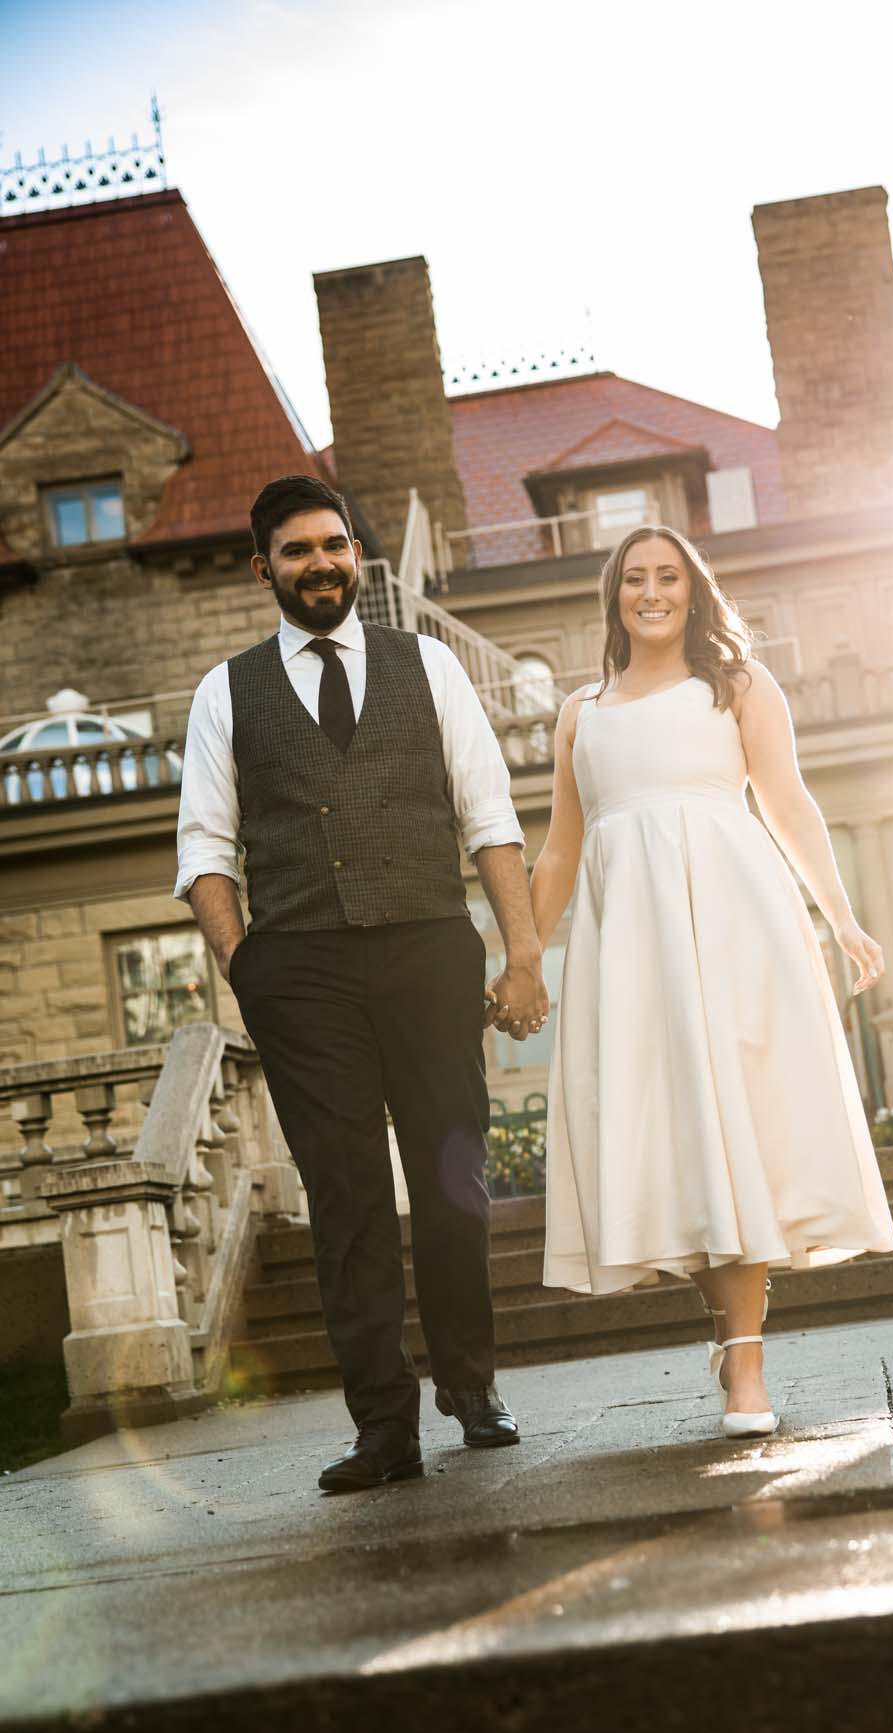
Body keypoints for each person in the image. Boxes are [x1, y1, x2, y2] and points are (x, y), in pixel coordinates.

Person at [175, 474, 547, 1493]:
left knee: (450, 1178)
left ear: (355, 556)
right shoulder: (226, 691)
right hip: (300, 969)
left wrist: (521, 953)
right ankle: (383, 1423)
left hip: (427, 945)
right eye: (296, 551)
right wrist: (246, 961)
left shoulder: (426, 665)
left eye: (333, 545)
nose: (320, 563)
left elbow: (489, 818)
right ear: (266, 569)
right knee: (345, 1200)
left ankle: (470, 1386)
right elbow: (206, 850)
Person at [523, 526, 893, 1438]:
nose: (651, 592)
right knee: (672, 1145)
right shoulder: (581, 715)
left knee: (738, 1131)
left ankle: (745, 1368)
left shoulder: (736, 686)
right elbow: (562, 848)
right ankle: (727, 1333)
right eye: (635, 579)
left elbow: (790, 804)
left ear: (694, 593)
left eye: (669, 578)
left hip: (735, 930)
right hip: (628, 955)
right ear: (613, 594)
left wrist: (839, 916)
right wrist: (520, 957)